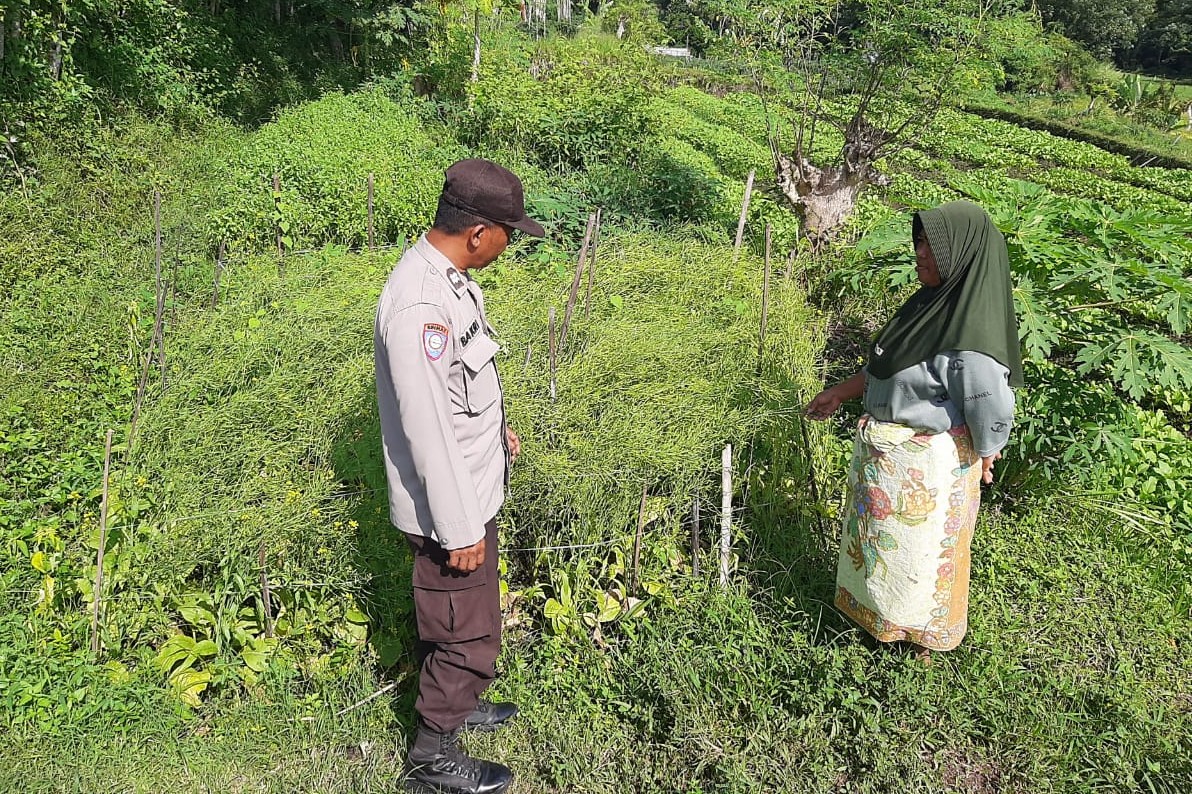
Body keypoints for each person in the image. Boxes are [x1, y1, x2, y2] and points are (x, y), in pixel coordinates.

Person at [374, 158, 544, 794]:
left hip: (473, 485)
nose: (510, 245)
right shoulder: (420, 304)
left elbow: (454, 395)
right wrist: (458, 526)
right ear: (478, 233)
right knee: (464, 632)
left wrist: (494, 433)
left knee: (464, 619)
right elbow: (425, 428)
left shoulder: (448, 279)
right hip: (452, 508)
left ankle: (458, 702)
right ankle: (433, 752)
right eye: (508, 233)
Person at [805, 200, 1022, 659]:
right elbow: (892, 369)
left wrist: (988, 451)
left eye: (933, 246)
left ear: (963, 255)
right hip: (890, 461)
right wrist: (842, 392)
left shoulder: (970, 340)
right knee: (885, 552)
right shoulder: (926, 307)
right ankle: (877, 621)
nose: (920, 253)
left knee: (920, 558)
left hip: (928, 468)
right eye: (920, 241)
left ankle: (921, 639)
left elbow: (991, 402)